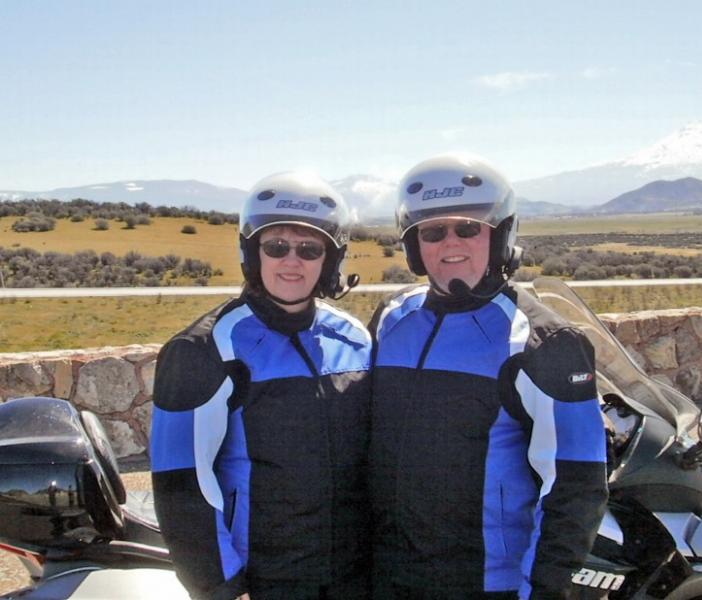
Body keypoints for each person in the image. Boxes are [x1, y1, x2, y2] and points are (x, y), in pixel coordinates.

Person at [369, 153, 608, 600]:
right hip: (389, 574)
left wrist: (543, 588)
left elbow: (577, 485)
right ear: (413, 246)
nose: (450, 242)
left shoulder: (543, 341)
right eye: (432, 231)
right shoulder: (392, 319)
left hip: (487, 582)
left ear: (500, 236)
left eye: (469, 227)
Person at [150, 172, 372, 600]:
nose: (292, 261)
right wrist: (220, 586)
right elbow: (181, 484)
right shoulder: (205, 349)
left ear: (331, 260)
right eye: (276, 246)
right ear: (253, 253)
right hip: (264, 579)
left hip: (352, 574)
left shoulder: (355, 338)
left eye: (310, 249)